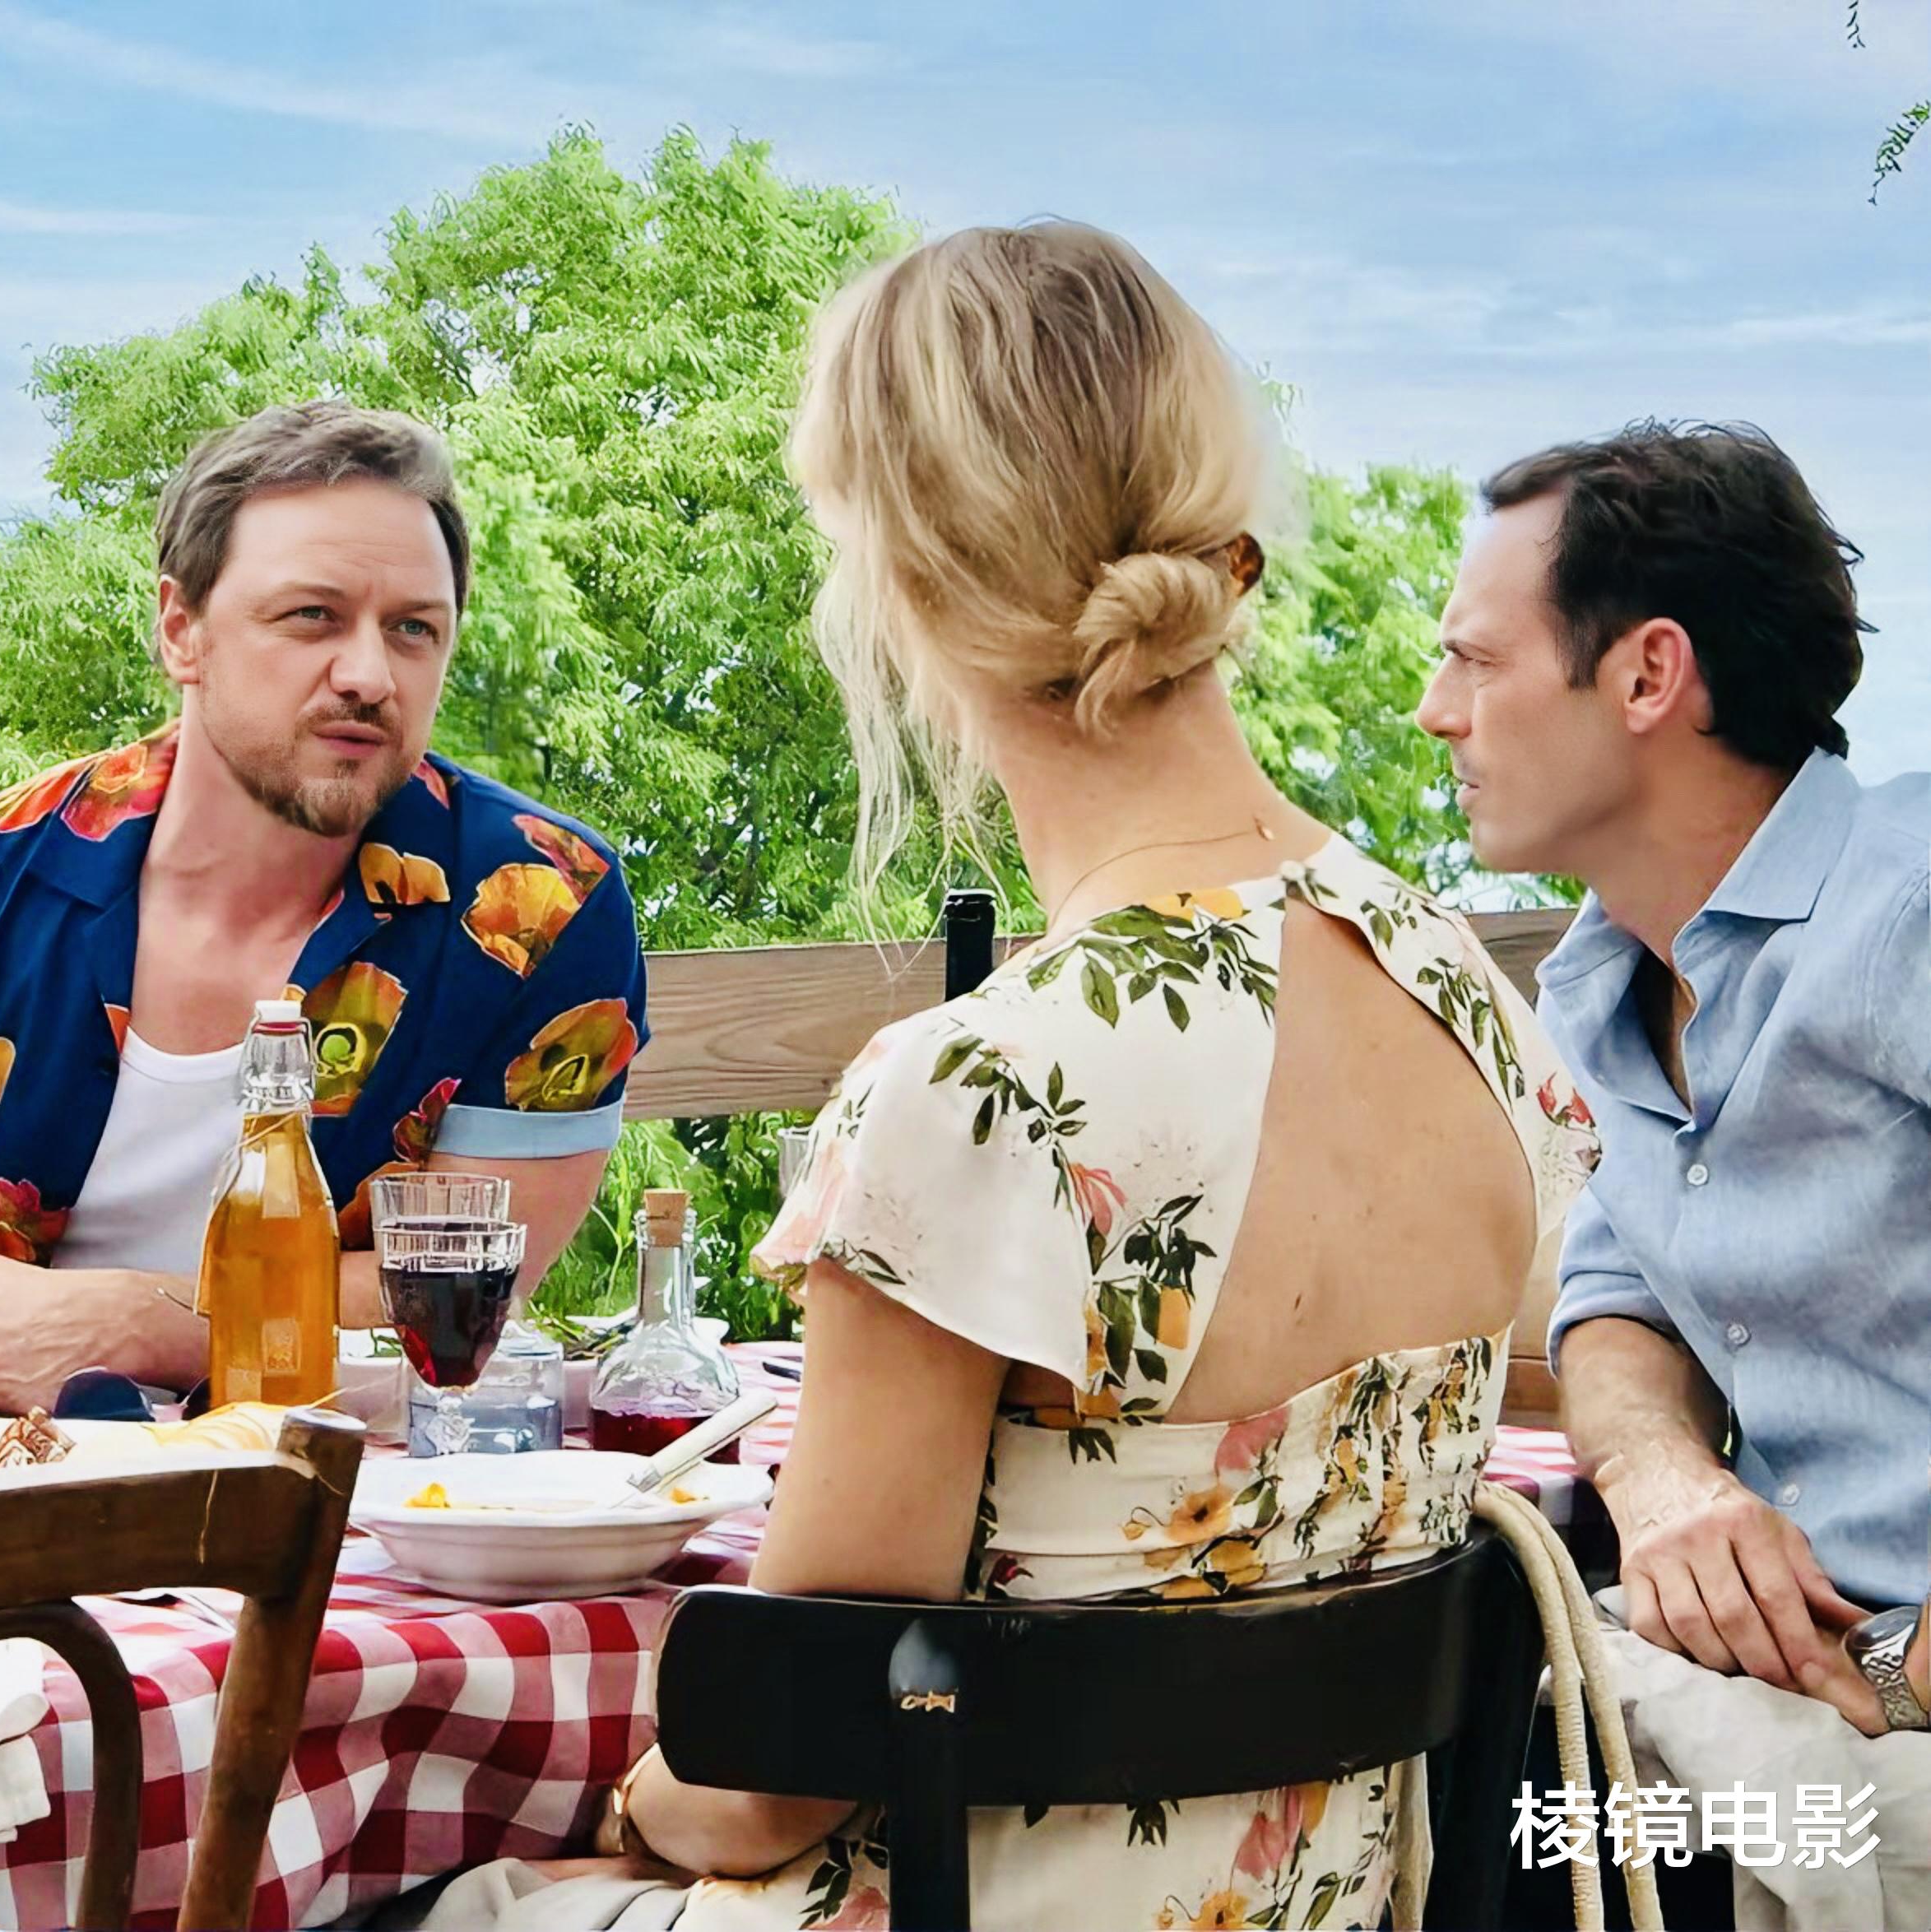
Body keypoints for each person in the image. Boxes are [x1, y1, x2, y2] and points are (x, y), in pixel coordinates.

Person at [388, 222, 1601, 1932]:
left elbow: (777, 1777)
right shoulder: (1461, 991)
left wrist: (632, 1803)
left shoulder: (983, 1091)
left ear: (903, 583)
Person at [0, 402, 647, 1413]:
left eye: (413, 629)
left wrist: (141, 1320)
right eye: (311, 617)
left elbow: (459, 1300)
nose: (368, 673)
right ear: (181, 629)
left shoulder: (536, 906)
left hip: (359, 1496)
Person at [1418, 424, 1931, 1753]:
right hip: (1778, 1695)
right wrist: (1657, 1476)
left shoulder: (1907, 910)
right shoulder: (1599, 988)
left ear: (1648, 673)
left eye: (1477, 659)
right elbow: (1617, 1300)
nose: (1435, 709)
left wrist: (1895, 1676)